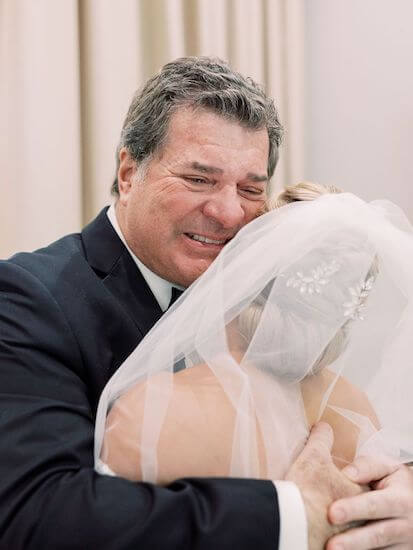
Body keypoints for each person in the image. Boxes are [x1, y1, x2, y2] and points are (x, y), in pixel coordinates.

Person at [0, 56, 411, 550]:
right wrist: (293, 513)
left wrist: (393, 489)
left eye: (250, 188)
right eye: (199, 179)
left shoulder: (272, 302)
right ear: (129, 173)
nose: (227, 211)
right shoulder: (28, 297)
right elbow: (38, 514)